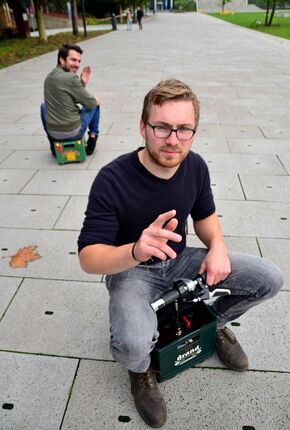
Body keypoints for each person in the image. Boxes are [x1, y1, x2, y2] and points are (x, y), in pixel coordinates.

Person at [78, 79, 283, 428]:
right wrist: (135, 250)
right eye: (162, 127)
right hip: (132, 271)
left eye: (184, 129)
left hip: (181, 261)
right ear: (143, 126)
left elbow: (205, 217)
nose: (173, 140)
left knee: (269, 279)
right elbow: (88, 257)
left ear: (194, 131)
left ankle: (210, 325)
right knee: (130, 344)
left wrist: (217, 248)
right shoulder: (112, 179)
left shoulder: (195, 166)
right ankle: (142, 373)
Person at [41, 44, 100, 157]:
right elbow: (89, 103)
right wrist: (83, 86)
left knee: (44, 106)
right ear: (62, 60)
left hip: (53, 133)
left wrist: (81, 84)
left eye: (79, 61)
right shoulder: (70, 78)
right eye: (73, 60)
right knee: (95, 102)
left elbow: (66, 98)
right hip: (73, 133)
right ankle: (93, 137)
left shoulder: (49, 77)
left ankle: (53, 144)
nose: (77, 65)